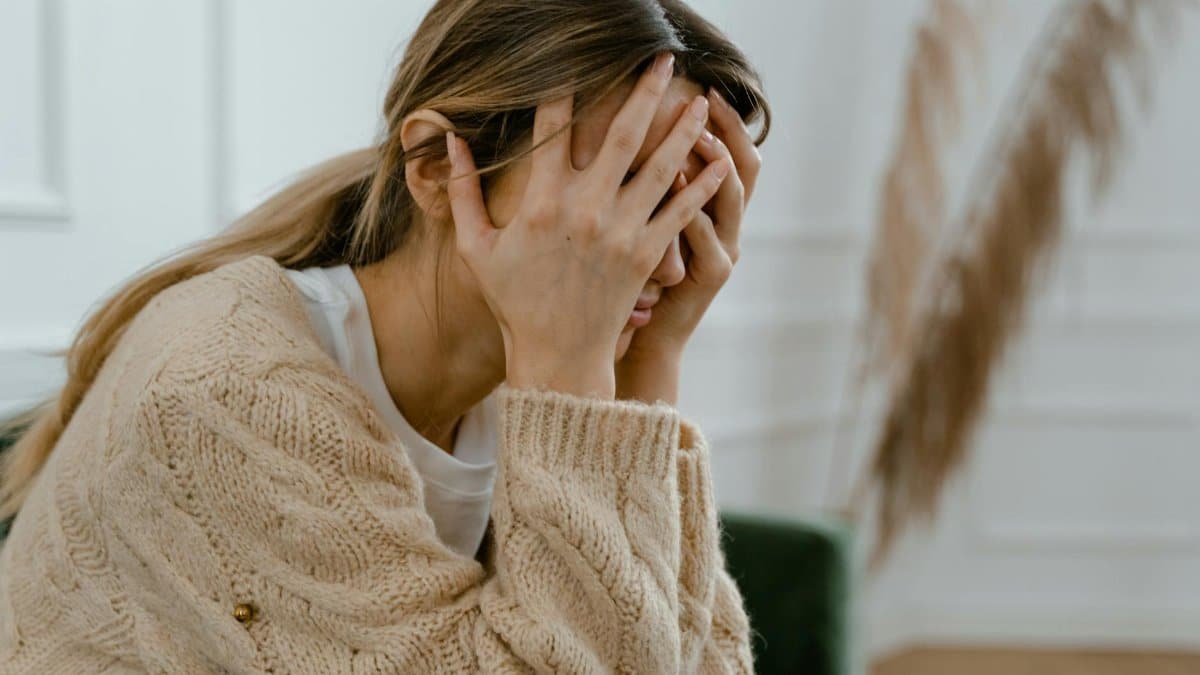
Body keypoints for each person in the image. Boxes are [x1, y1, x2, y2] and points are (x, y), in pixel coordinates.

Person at [0, 0, 770, 671]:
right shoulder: (227, 390)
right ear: (437, 167)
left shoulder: (543, 369)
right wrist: (585, 380)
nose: (661, 257)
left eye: (688, 203)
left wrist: (650, 364)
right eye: (617, 191)